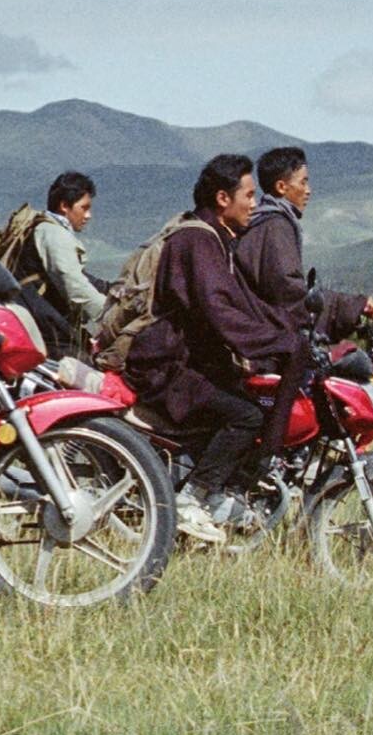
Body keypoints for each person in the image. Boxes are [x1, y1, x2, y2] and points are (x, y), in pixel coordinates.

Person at [126, 153, 298, 538]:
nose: (254, 203)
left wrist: (290, 332)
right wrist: (274, 343)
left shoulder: (216, 241)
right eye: (249, 195)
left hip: (182, 363)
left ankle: (217, 492)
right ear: (223, 198)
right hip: (164, 367)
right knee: (246, 416)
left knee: (246, 398)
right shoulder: (197, 241)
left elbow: (247, 304)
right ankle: (192, 499)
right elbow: (218, 309)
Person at [236, 146, 373, 342]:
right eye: (303, 182)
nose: (308, 191)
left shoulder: (261, 223)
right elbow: (289, 292)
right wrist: (351, 306)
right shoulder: (276, 226)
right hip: (272, 340)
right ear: (282, 187)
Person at [17, 172, 108, 354]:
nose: (88, 215)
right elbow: (72, 282)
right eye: (84, 208)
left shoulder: (43, 228)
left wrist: (110, 289)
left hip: (40, 318)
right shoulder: (54, 234)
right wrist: (110, 314)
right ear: (64, 206)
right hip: (46, 325)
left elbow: (79, 276)